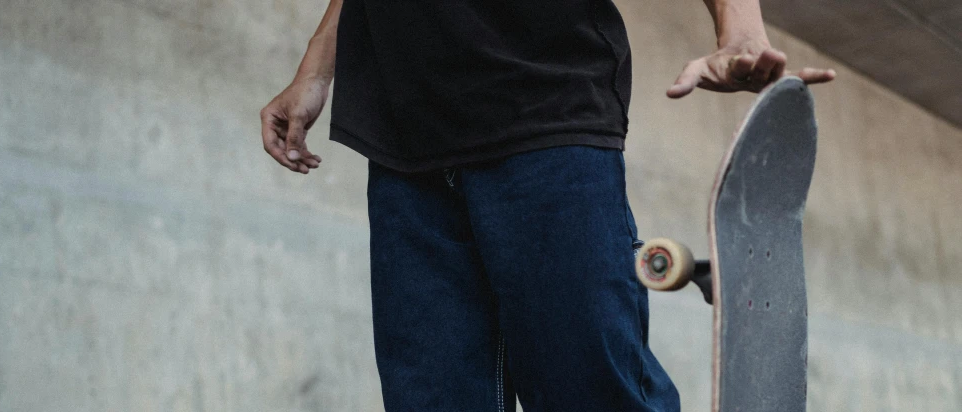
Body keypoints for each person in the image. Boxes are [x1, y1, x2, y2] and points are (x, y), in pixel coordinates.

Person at [260, 0, 835, 410]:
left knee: (585, 390)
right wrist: (316, 65)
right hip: (402, 136)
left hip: (545, 112)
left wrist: (739, 27)